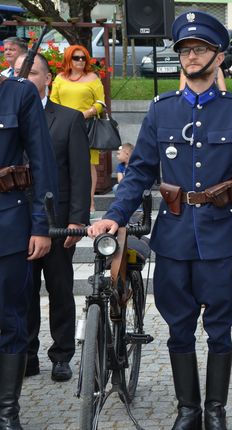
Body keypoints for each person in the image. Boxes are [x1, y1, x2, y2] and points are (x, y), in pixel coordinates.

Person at [88, 11, 232, 429]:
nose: (191, 56)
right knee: (178, 328)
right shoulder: (162, 110)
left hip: (223, 237)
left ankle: (215, 412)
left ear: (218, 57)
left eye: (200, 49)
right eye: (185, 50)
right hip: (176, 238)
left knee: (220, 330)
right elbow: (140, 172)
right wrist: (115, 215)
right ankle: (188, 410)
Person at [13, 53, 91, 382]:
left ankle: (61, 355)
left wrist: (77, 219)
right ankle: (27, 355)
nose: (24, 78)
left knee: (59, 289)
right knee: (22, 292)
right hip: (16, 220)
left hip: (58, 221)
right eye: (18, 73)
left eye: (31, 73)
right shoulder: (9, 117)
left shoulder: (69, 119)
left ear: (47, 79)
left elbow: (80, 175)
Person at [0, 57, 58, 428]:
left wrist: (41, 224)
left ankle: (8, 411)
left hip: (8, 222)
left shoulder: (17, 95)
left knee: (10, 317)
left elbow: (41, 163)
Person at [50, 45, 105, 216]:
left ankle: (89, 202)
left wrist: (86, 113)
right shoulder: (59, 78)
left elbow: (101, 103)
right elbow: (53, 100)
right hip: (62, 127)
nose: (80, 61)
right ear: (68, 59)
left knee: (88, 165)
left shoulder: (93, 78)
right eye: (76, 58)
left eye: (83, 58)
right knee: (63, 161)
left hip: (86, 126)